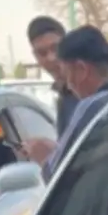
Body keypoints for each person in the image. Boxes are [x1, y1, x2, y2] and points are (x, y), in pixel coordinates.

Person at [40, 25, 108, 181]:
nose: (69, 86)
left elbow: (54, 174)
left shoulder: (91, 107)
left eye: (67, 74)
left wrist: (43, 156)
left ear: (81, 70)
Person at [22, 15, 79, 167]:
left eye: (56, 48)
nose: (51, 58)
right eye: (42, 53)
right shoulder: (64, 98)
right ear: (35, 57)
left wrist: (53, 155)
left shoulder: (88, 91)